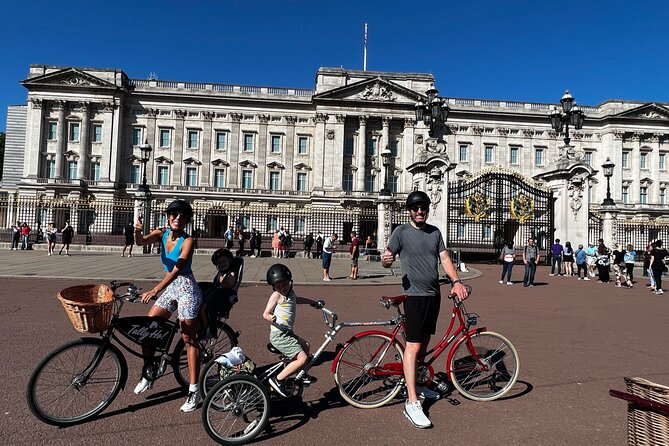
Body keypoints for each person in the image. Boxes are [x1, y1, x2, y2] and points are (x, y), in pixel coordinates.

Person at [381, 191, 468, 429]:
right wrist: (386, 261)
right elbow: (386, 258)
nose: (420, 211)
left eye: (423, 207)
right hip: (414, 296)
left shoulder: (435, 232)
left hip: (433, 295)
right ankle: (411, 401)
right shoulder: (401, 232)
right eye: (416, 208)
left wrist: (456, 281)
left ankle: (418, 383)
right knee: (413, 346)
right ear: (409, 210)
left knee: (425, 343)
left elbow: (445, 259)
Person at [133, 200, 203, 412]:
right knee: (148, 329)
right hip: (171, 288)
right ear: (168, 216)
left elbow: (176, 270)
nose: (178, 218)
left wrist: (154, 290)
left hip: (187, 289)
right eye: (174, 214)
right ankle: (149, 371)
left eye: (182, 216)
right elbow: (141, 242)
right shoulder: (161, 234)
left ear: (186, 221)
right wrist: (137, 231)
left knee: (188, 339)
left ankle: (194, 389)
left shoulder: (188, 241)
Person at [263, 264, 312, 398]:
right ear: (274, 287)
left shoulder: (291, 293)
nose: (282, 288)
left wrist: (313, 302)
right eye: (278, 286)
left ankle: (300, 375)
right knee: (303, 359)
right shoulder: (276, 296)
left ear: (290, 282)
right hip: (279, 335)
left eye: (284, 284)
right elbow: (265, 313)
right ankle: (277, 380)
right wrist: (270, 317)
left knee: (306, 345)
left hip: (287, 333)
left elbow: (297, 300)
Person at [200, 248, 238, 339]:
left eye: (224, 261)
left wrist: (224, 283)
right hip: (214, 294)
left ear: (230, 261)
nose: (222, 264)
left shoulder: (232, 274)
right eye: (219, 263)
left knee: (203, 309)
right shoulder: (220, 273)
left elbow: (230, 286)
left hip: (221, 297)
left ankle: (208, 330)